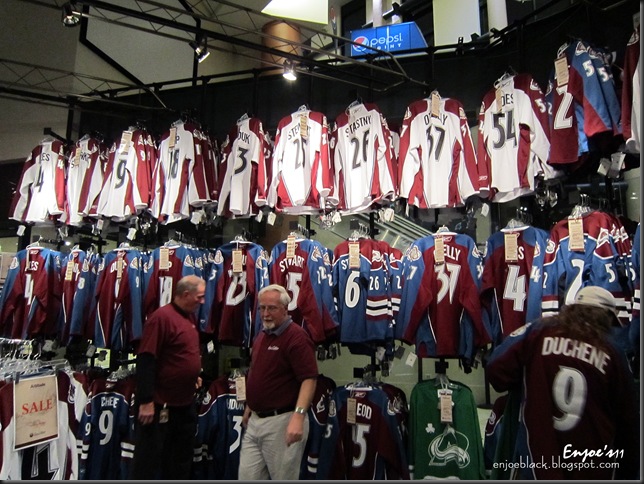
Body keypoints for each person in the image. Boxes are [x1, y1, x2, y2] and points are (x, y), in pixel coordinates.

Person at [485, 286, 639, 480]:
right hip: (593, 467)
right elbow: (629, 426)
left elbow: (496, 369)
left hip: (538, 465)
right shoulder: (613, 352)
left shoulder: (538, 331)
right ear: (607, 318)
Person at [238, 284, 318, 480]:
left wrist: (298, 416)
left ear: (285, 308)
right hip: (255, 422)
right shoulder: (262, 336)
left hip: (282, 421)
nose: (265, 314)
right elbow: (259, 373)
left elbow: (309, 379)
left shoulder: (296, 337)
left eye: (272, 308)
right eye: (262, 308)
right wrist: (250, 404)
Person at [130, 275, 205, 480]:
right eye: (199, 297)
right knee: (148, 462)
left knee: (179, 463)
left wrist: (192, 375)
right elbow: (146, 359)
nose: (202, 301)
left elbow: (179, 355)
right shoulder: (161, 318)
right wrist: (146, 400)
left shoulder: (188, 318)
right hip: (159, 406)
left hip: (183, 405)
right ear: (186, 294)